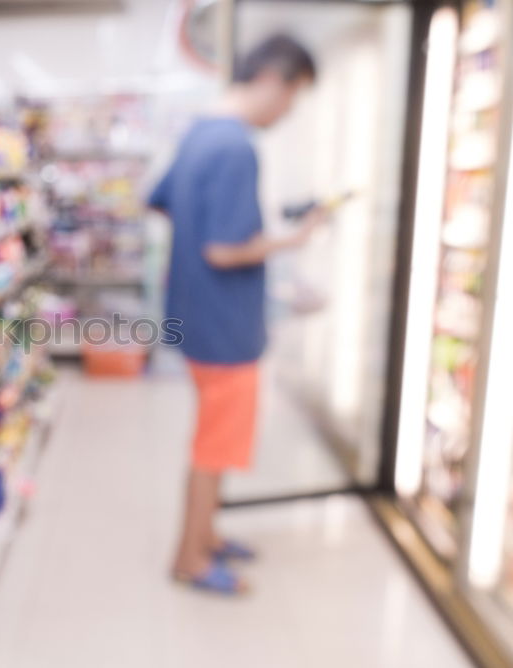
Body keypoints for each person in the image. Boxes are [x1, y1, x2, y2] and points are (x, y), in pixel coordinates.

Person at [149, 34, 324, 595]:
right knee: (214, 445)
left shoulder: (200, 133)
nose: (288, 110)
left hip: (197, 316)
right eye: (294, 96)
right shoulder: (236, 146)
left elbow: (161, 199)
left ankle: (206, 536)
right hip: (226, 326)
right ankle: (190, 558)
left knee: (212, 438)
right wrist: (292, 239)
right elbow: (225, 250)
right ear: (273, 80)